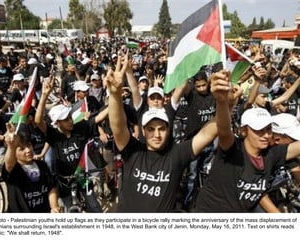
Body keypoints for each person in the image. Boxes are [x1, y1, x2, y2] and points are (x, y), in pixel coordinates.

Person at [106, 54, 218, 212]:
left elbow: (207, 134)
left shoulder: (176, 156)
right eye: (151, 129)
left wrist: (225, 104)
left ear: (169, 127)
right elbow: (117, 126)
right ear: (143, 130)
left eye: (162, 129)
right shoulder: (133, 151)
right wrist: (115, 95)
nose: (156, 135)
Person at [193, 70, 300, 212]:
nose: (266, 135)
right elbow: (224, 128)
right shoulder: (232, 149)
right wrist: (222, 101)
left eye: (268, 129)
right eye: (259, 130)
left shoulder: (271, 154)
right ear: (244, 131)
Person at [35, 77, 108, 212]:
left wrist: (115, 97)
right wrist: (44, 95)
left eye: (70, 117)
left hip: (83, 179)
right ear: (57, 123)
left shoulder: (80, 128)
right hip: (65, 184)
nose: (70, 121)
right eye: (66, 119)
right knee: (71, 212)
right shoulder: (54, 136)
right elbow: (38, 119)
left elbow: (99, 117)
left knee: (95, 209)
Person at [2, 123, 60, 213]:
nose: (28, 150)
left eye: (29, 145)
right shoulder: (13, 170)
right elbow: (9, 165)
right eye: (22, 149)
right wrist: (11, 146)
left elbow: (51, 187)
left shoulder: (42, 165)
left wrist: (54, 206)